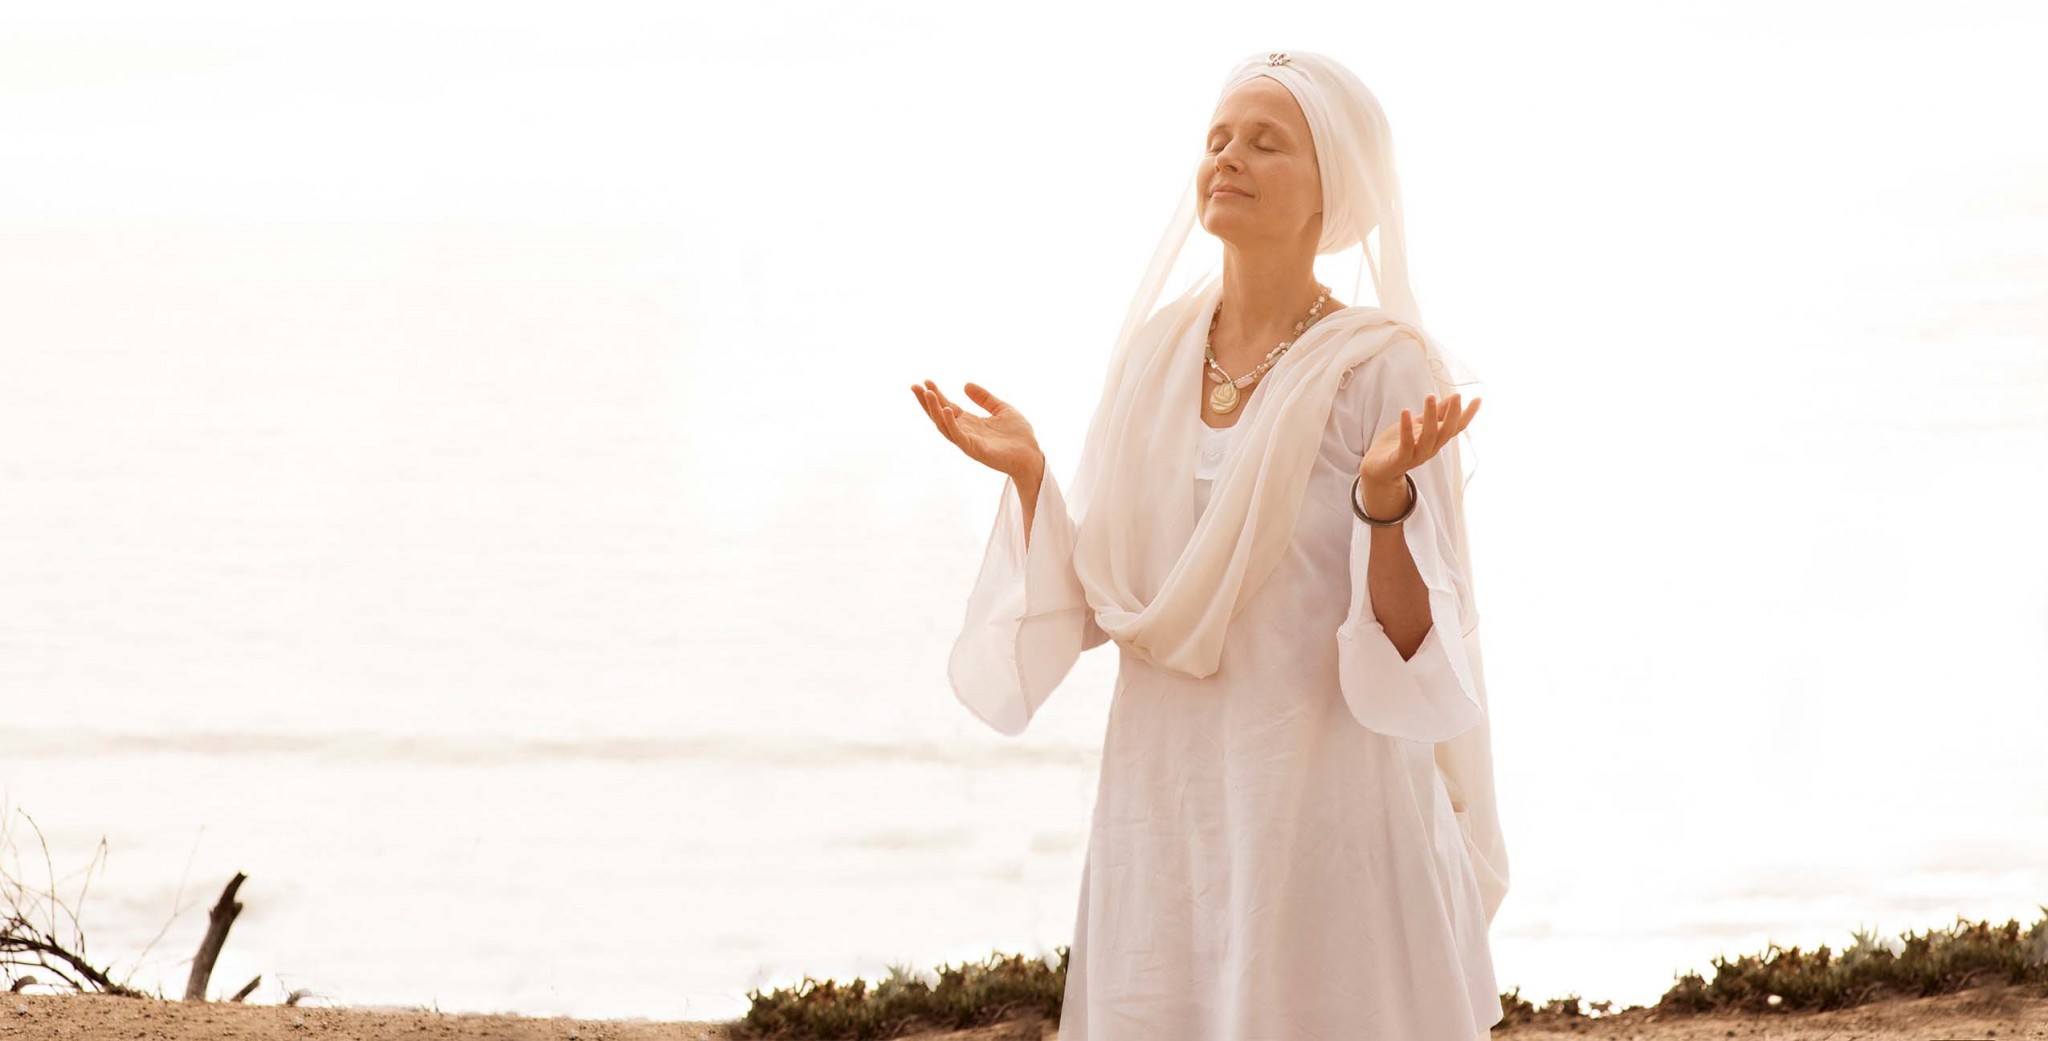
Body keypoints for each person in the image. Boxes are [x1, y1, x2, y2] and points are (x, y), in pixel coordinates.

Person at [910, 49, 1506, 1040]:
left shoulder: (1380, 369)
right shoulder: (1157, 352)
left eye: (1265, 142)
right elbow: (1107, 592)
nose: (1227, 158)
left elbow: (1412, 646)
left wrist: (1382, 498)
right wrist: (1031, 478)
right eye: (1217, 138)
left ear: (1332, 188)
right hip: (1170, 792)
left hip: (1319, 794)